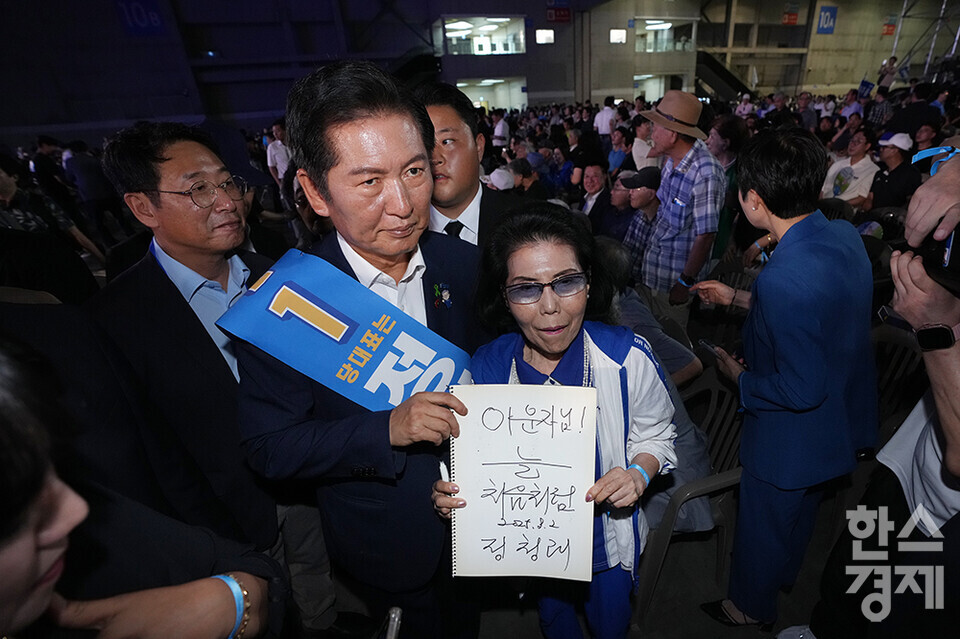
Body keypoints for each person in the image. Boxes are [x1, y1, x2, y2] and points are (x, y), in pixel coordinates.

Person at [235, 61, 486, 639]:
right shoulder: (286, 304)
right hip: (387, 544)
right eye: (370, 181)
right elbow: (268, 449)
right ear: (315, 192)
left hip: (481, 524)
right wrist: (387, 429)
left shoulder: (463, 264)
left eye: (415, 171)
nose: (402, 204)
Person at [91, 122, 343, 637]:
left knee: (321, 606)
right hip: (218, 528)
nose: (226, 201)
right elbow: (145, 454)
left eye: (227, 183)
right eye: (197, 189)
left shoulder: (282, 277)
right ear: (143, 208)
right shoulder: (114, 320)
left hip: (310, 496)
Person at [433, 206, 677, 639]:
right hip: (535, 546)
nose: (550, 309)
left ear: (589, 282)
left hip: (609, 544)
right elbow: (466, 464)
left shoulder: (625, 357)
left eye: (566, 283)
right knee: (555, 621)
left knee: (611, 627)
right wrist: (450, 493)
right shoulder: (486, 368)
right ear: (504, 296)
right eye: (526, 289)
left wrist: (639, 472)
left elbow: (657, 432)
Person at [692, 128, 877, 628]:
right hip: (839, 418)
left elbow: (800, 388)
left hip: (790, 433)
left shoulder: (782, 276)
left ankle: (747, 606)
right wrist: (738, 299)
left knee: (764, 524)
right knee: (797, 518)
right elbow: (823, 311)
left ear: (754, 201)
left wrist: (739, 378)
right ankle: (785, 576)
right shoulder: (842, 231)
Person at [0, 335, 281, 639]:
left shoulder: (95, 529)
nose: (76, 509)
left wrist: (230, 602)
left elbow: (252, 572)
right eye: (16, 505)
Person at [635, 90, 724, 330]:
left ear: (673, 134)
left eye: (657, 126)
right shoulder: (671, 160)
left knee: (671, 354)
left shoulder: (705, 172)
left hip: (671, 284)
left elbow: (706, 235)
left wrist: (684, 283)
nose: (652, 131)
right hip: (653, 275)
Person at [413, 82, 515, 247]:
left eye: (447, 141)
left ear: (479, 147)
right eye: (423, 144)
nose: (434, 158)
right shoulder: (400, 236)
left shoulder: (526, 222)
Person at [862, 132, 922, 212]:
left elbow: (911, 201)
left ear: (895, 150)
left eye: (884, 147)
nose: (880, 150)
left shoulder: (910, 174)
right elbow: (870, 198)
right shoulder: (880, 172)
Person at [821, 127, 880, 209]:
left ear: (867, 146)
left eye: (858, 141)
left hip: (842, 214)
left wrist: (837, 207)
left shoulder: (872, 170)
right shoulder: (838, 164)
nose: (852, 144)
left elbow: (862, 197)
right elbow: (823, 190)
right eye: (852, 140)